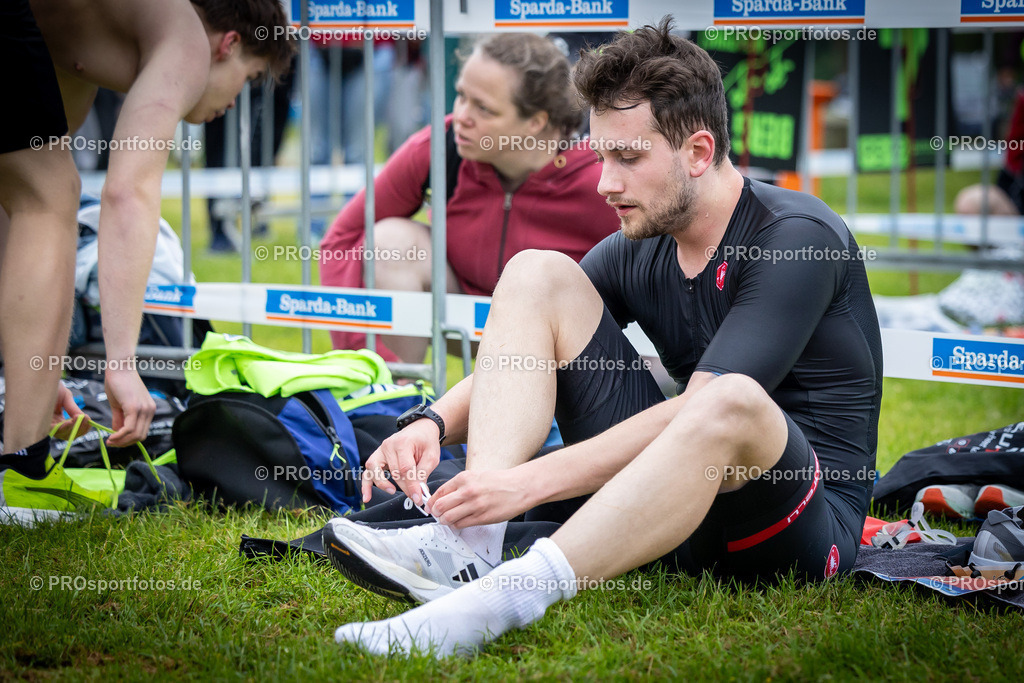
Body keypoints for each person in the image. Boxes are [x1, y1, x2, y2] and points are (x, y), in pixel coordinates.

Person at [325, 18, 882, 657]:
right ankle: (469, 548)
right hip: (665, 516)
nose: (604, 183)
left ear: (699, 153)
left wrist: (531, 485)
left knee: (731, 400)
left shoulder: (796, 239)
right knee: (538, 273)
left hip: (797, 532)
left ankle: (501, 600)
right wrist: (429, 421)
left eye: (629, 158)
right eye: (600, 156)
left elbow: (707, 408)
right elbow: (525, 357)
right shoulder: (639, 243)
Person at [0, 0, 292, 523]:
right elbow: (127, 194)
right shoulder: (183, 37)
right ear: (226, 45)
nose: (234, 100)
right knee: (52, 195)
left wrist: (29, 369)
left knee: (36, 193)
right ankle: (22, 469)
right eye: (247, 77)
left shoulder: (70, 51)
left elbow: (10, 204)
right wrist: (121, 365)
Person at [318, 33, 621, 363]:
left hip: (575, 339)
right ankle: (398, 393)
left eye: (484, 108)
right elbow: (340, 240)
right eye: (461, 95)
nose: (461, 116)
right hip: (466, 317)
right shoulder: (441, 146)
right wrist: (369, 356)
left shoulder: (601, 174)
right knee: (392, 240)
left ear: (536, 122)